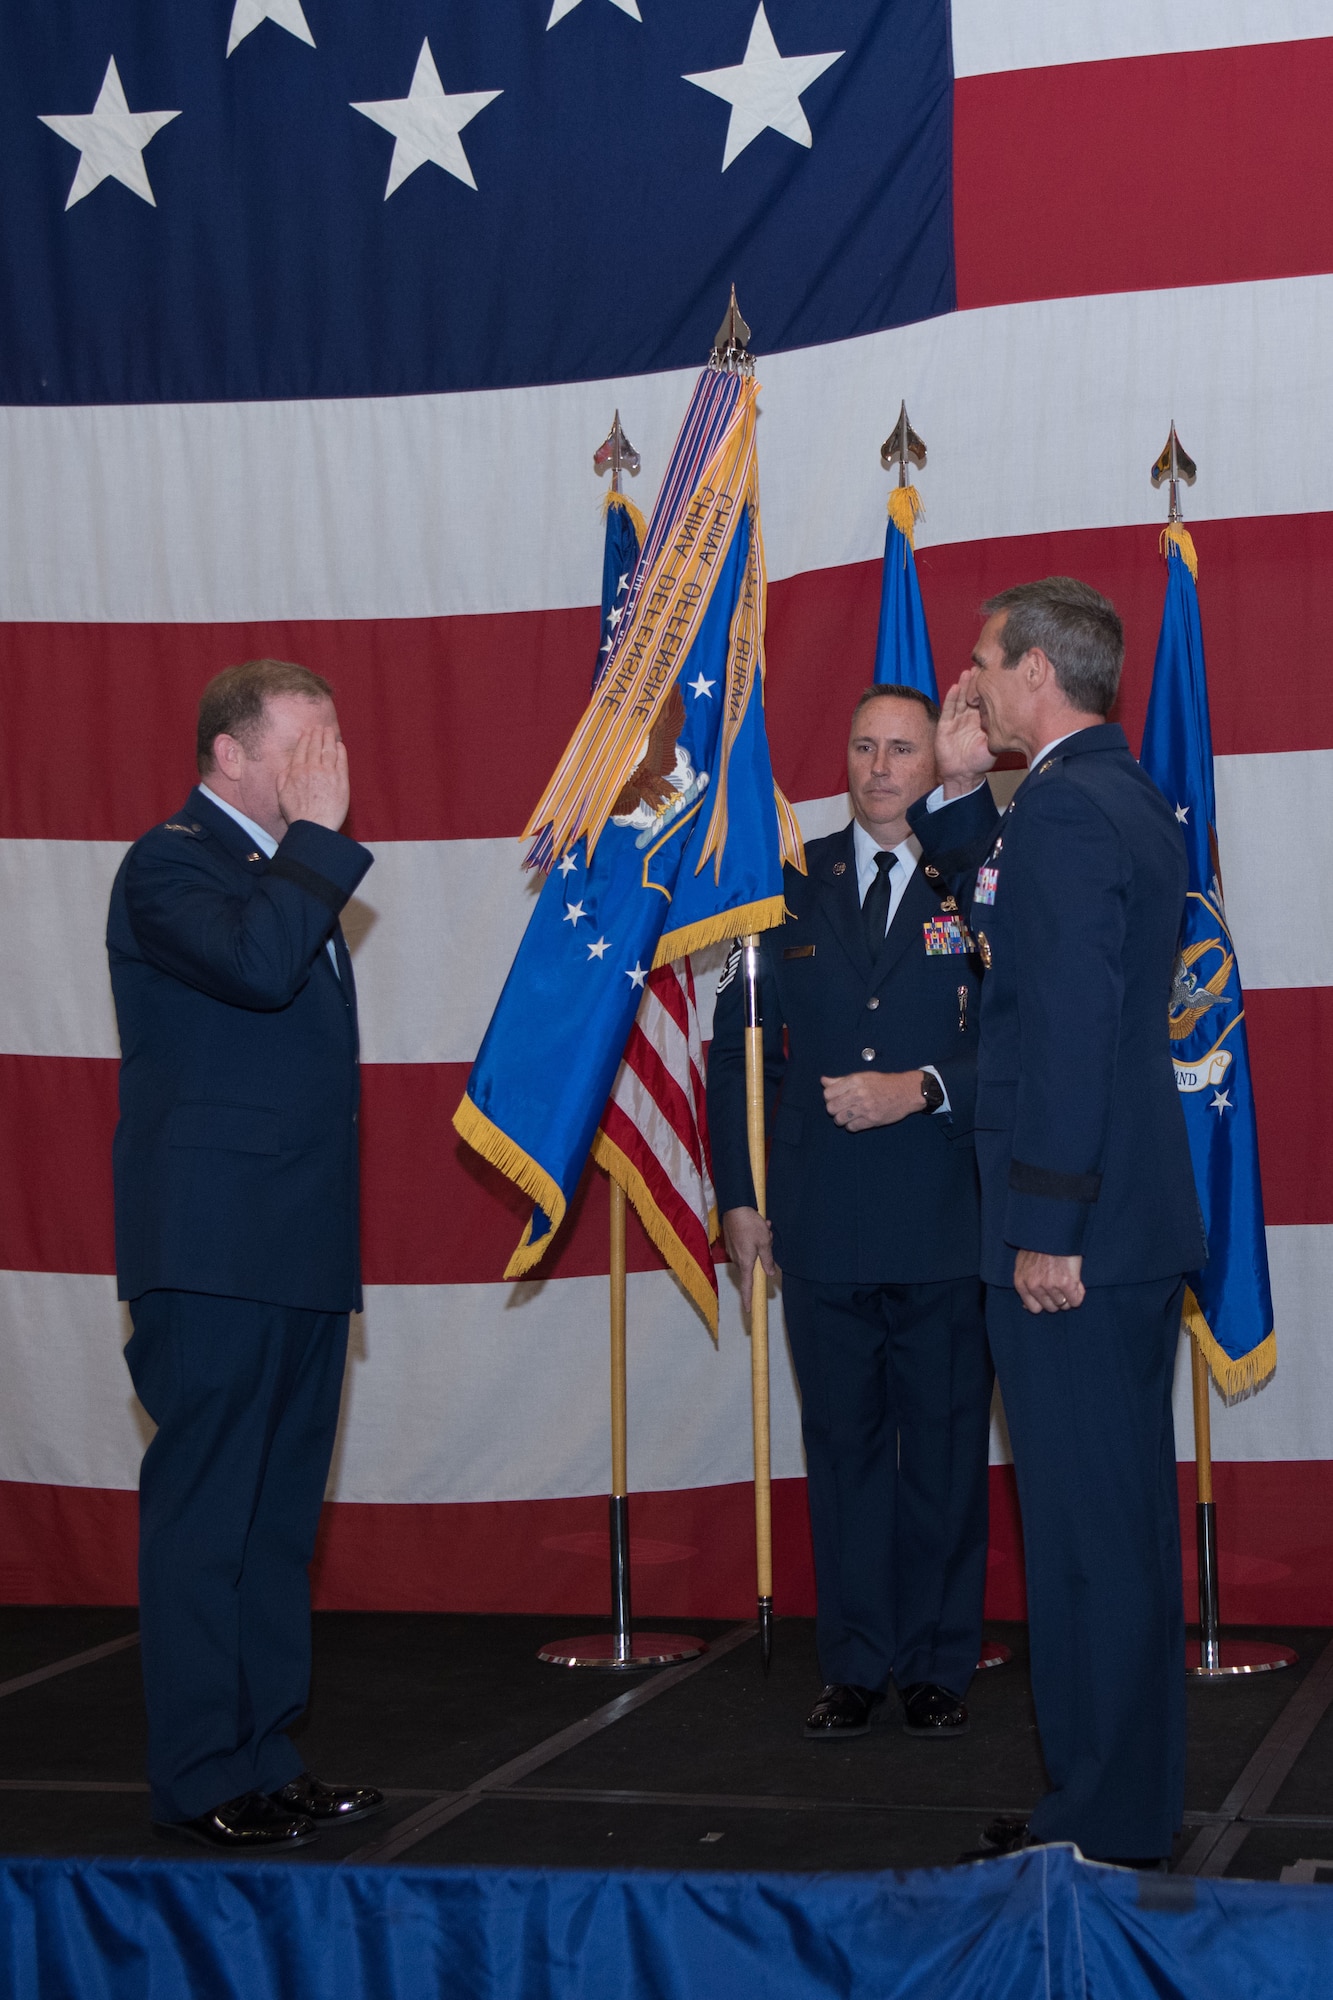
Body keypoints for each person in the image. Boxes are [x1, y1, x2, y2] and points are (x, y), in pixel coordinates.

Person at [908, 578, 1205, 1867]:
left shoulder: (1072, 813)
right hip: (1122, 1228)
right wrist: (965, 782)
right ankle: (1106, 1800)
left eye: (980, 667)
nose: (964, 689)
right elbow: (995, 921)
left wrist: (1048, 1226)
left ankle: (1104, 1818)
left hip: (1078, 1236)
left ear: (1037, 672)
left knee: (1090, 1538)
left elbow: (1070, 1032)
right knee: (1108, 1525)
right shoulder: (1113, 796)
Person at [107, 658, 385, 1851]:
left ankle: (265, 1752)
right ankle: (199, 1770)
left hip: (297, 1248)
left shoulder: (283, 875)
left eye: (333, 740)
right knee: (209, 1514)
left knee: (276, 1521)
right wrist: (320, 840)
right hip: (211, 1250)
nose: (327, 764)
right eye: (302, 743)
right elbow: (259, 969)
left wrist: (307, 849)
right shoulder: (169, 862)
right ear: (230, 754)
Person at [707, 686, 992, 1741]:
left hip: (944, 1216)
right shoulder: (786, 885)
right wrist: (738, 1192)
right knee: (842, 1451)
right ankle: (857, 1660)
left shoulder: (978, 875)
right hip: (818, 1221)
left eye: (902, 747)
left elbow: (1022, 1034)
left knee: (946, 1449)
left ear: (936, 758)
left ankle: (936, 1662)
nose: (880, 766)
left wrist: (920, 1084)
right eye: (864, 744)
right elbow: (734, 1055)